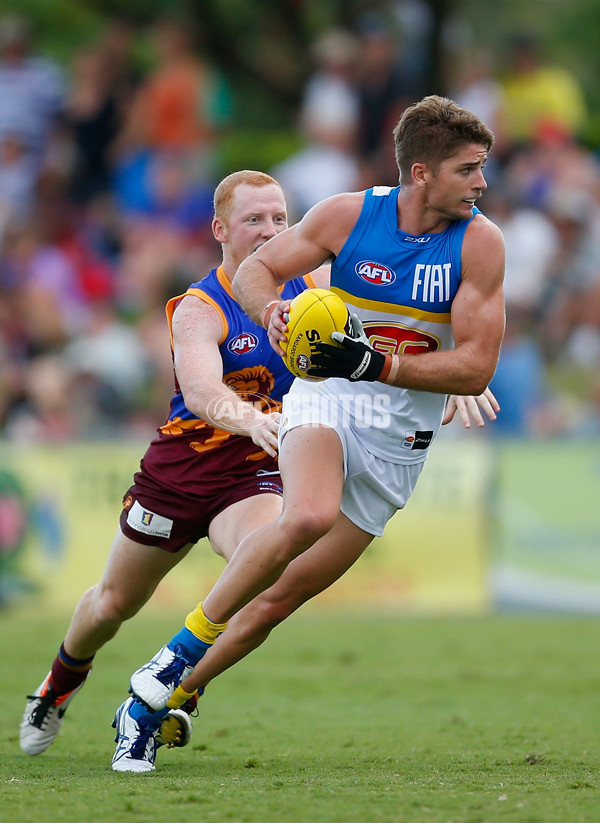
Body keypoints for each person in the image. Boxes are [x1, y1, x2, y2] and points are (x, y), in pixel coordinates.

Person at [118, 95, 506, 768]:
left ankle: (162, 694)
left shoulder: (481, 243)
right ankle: (170, 659)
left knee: (275, 600)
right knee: (307, 515)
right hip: (327, 398)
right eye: (468, 169)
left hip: (396, 441)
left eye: (482, 168)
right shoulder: (346, 214)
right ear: (421, 173)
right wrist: (272, 311)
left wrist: (382, 362)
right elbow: (257, 268)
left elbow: (474, 366)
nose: (481, 182)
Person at [19, 169, 325, 765]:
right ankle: (57, 686)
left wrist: (447, 379)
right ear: (219, 229)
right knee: (111, 605)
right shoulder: (198, 307)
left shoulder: (314, 289)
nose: (271, 231)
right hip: (177, 478)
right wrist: (250, 418)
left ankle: (174, 685)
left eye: (281, 218)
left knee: (265, 552)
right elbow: (204, 390)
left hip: (249, 475)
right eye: (254, 220)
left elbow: (394, 314)